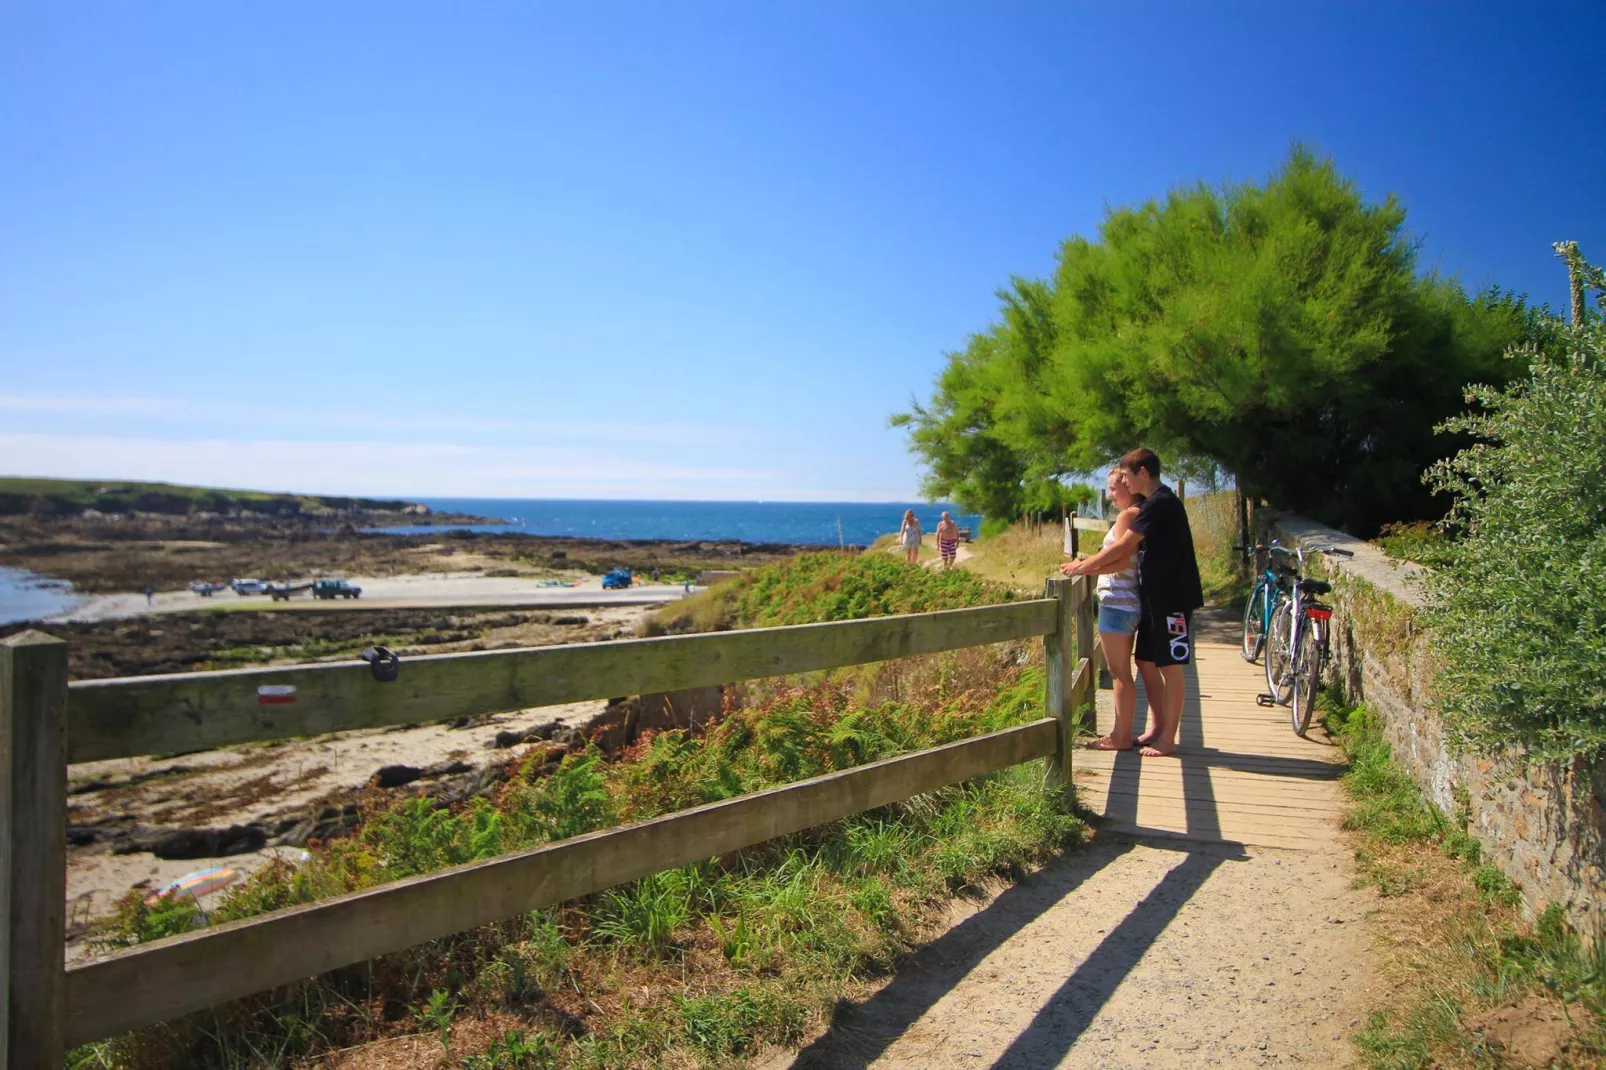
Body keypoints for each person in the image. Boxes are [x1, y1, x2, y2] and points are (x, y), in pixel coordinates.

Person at [1062, 448, 1203, 756]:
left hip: (1173, 597)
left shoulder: (1161, 503)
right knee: (1145, 662)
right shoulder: (1153, 504)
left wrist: (1081, 566)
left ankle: (1168, 739)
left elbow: (1122, 549)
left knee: (1171, 667)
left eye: (1125, 476)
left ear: (1142, 473)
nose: (1123, 482)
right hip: (1152, 597)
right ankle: (1157, 728)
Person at [1069, 471, 1145, 750]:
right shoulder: (1138, 513)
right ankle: (1121, 733)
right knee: (1121, 671)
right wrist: (1088, 564)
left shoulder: (1127, 516)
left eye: (1113, 489)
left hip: (1117, 600)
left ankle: (1120, 736)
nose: (1110, 494)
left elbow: (1122, 561)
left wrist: (1083, 568)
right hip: (1128, 601)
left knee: (1118, 673)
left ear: (1128, 487)